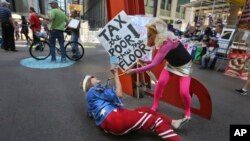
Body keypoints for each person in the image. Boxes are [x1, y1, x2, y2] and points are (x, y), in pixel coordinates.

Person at [81, 65, 185, 141]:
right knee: (154, 120)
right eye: (92, 77)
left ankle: (172, 122)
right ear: (91, 82)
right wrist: (116, 74)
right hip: (115, 118)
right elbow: (119, 94)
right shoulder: (95, 90)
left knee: (144, 110)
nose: (94, 77)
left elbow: (89, 113)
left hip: (110, 126)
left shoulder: (89, 98)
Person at [126, 18, 192, 126]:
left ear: (157, 34)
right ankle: (155, 105)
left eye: (149, 35)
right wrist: (146, 61)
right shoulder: (161, 41)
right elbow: (158, 60)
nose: (148, 38)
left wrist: (135, 70)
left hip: (185, 67)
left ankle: (188, 111)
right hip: (171, 64)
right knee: (160, 83)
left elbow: (154, 64)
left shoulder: (167, 42)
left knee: (184, 92)